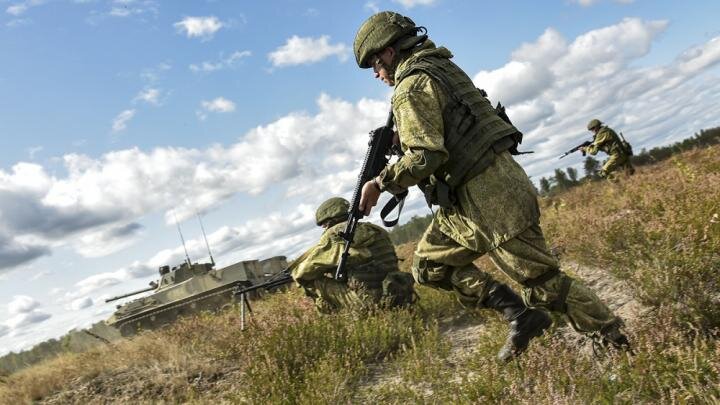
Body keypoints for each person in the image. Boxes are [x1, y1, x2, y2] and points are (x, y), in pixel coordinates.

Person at [353, 11, 630, 360]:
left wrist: (380, 183)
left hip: (492, 198)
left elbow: (426, 157)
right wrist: (401, 139)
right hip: (468, 202)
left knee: (544, 283)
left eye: (376, 65)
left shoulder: (411, 87)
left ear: (389, 53)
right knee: (428, 265)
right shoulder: (440, 68)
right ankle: (522, 316)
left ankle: (616, 342)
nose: (377, 75)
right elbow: (448, 129)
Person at [291, 197, 415, 313]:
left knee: (311, 281)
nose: (324, 228)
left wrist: (296, 273)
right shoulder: (376, 230)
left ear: (329, 221)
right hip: (399, 292)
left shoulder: (334, 235)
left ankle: (340, 321)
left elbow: (304, 272)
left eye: (324, 224)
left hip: (368, 301)